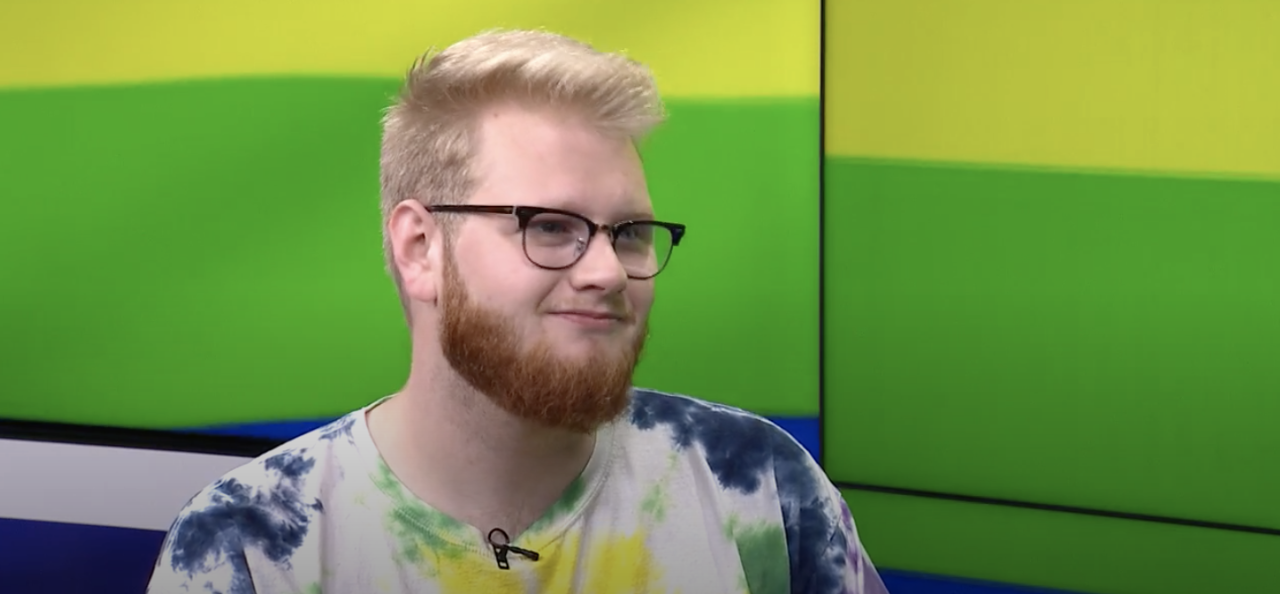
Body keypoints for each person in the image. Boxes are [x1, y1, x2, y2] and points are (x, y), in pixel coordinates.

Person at [145, 28, 889, 594]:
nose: (607, 271)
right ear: (419, 248)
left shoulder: (758, 488)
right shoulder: (249, 546)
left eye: (628, 233)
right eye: (550, 227)